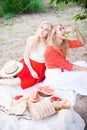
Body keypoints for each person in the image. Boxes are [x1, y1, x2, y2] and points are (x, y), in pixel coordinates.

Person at [0, 21, 52, 89]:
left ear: (49, 33)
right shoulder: (31, 39)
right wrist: (31, 70)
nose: (42, 30)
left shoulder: (48, 44)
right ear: (38, 28)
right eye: (41, 27)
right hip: (27, 63)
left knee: (18, 81)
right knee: (9, 73)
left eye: (46, 30)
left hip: (39, 68)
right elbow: (26, 56)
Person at [44, 24, 87, 95]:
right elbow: (67, 65)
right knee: (83, 74)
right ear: (54, 34)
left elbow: (82, 43)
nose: (64, 30)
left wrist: (76, 30)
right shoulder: (50, 49)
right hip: (55, 76)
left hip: (62, 69)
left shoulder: (64, 43)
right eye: (60, 29)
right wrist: (85, 69)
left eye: (63, 28)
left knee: (82, 63)